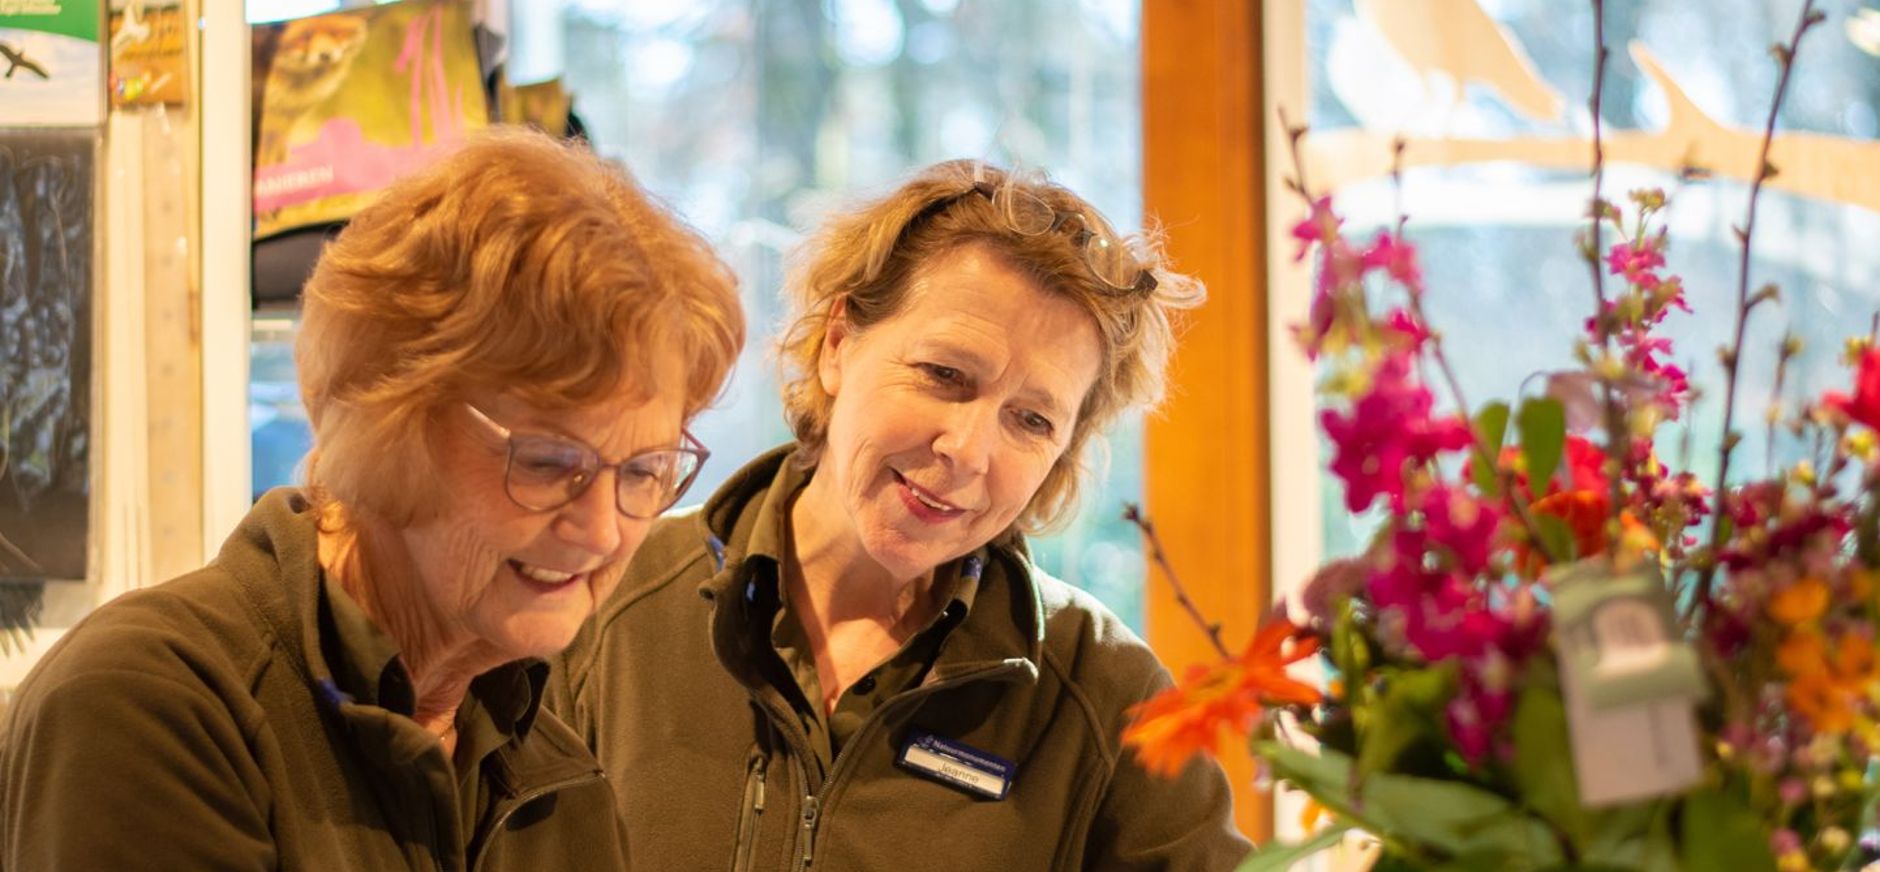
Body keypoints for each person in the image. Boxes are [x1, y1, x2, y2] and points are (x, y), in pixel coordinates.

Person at [0, 126, 744, 870]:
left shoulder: (554, 779)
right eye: (550, 462)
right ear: (385, 426)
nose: (603, 530)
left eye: (644, 472)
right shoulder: (156, 706)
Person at [550, 160, 1250, 869]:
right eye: (944, 376)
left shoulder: (1105, 695)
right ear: (837, 344)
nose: (968, 451)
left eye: (1032, 420)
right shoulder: (598, 596)